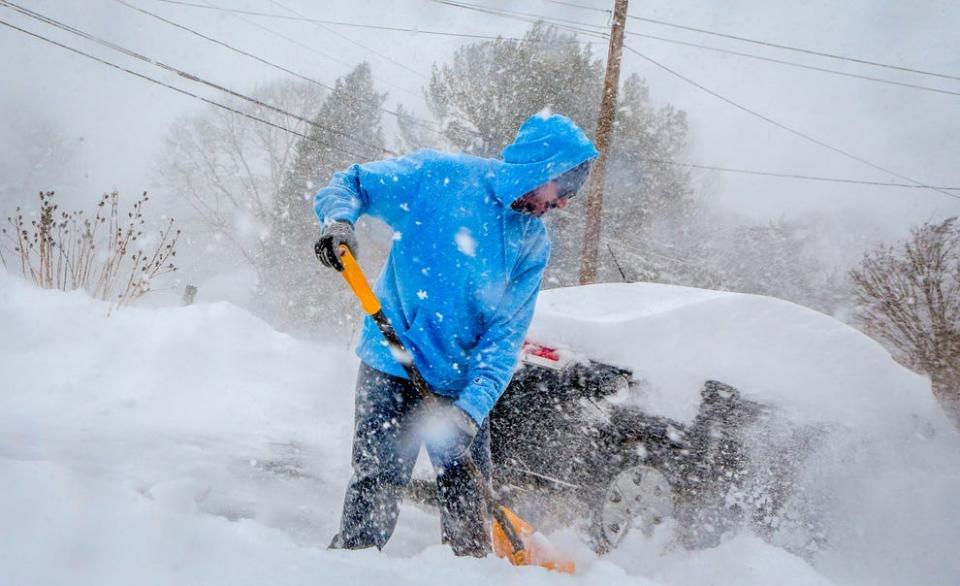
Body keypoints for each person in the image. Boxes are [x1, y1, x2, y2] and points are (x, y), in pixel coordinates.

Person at [313, 112, 598, 557]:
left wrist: (469, 410)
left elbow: (505, 339)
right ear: (539, 169)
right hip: (392, 362)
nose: (564, 203)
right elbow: (350, 184)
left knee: (469, 513)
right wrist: (339, 221)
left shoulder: (532, 243)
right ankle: (348, 568)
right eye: (564, 188)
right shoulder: (438, 177)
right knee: (377, 488)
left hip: (462, 386)